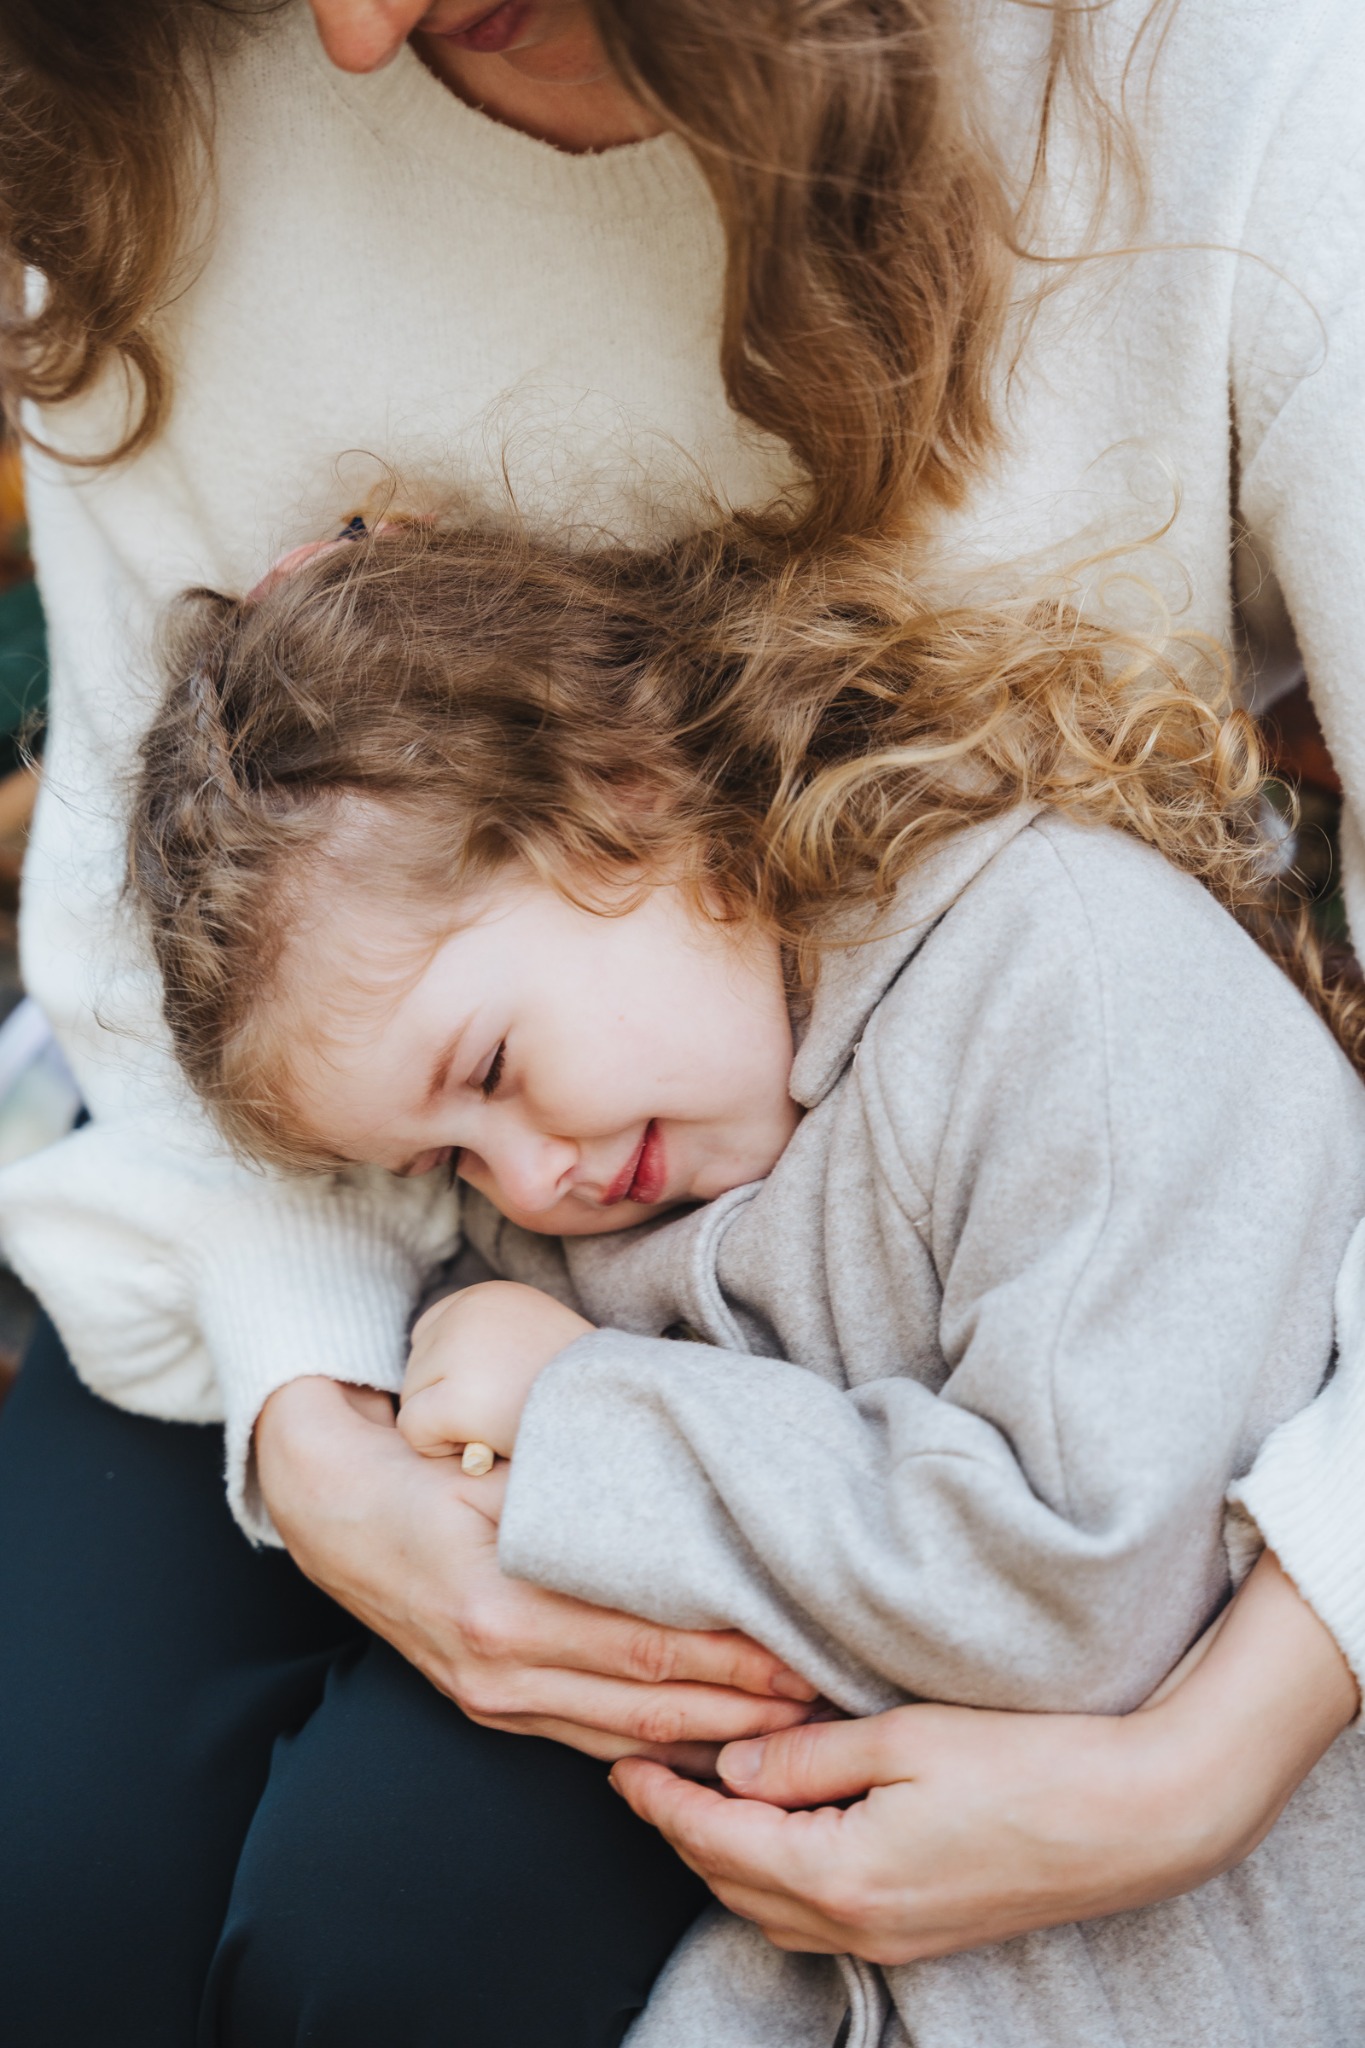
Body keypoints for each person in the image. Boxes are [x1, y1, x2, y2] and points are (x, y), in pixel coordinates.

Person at [1, 0, 1364, 2034]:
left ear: (625, 789)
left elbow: (1073, 1565)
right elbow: (177, 944)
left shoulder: (1232, 80)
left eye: (489, 1082)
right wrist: (317, 1426)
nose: (354, 39)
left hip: (1018, 1489)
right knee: (52, 1865)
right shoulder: (131, 99)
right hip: (537, 1359)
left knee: (385, 1938)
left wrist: (1212, 1746)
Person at [123, 511, 1365, 2046]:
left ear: (618, 791)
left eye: (492, 1067)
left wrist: (576, 1404)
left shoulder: (1075, 989)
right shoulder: (606, 1184)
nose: (523, 1180)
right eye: (446, 1161)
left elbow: (1077, 1596)